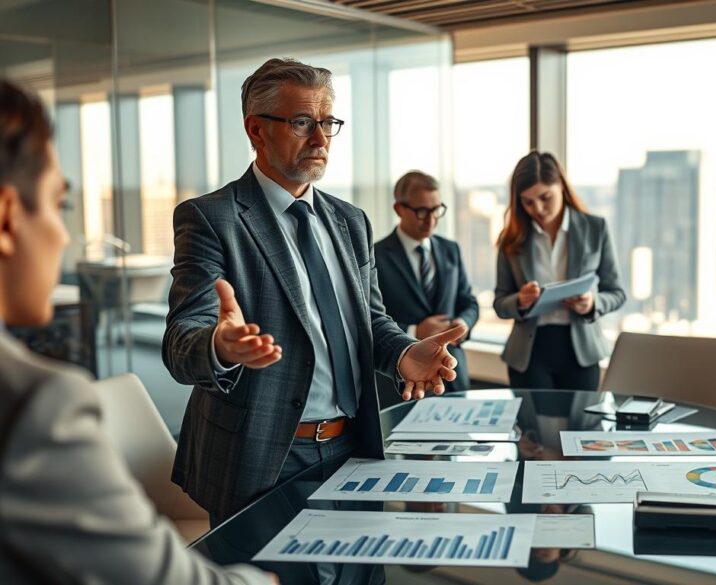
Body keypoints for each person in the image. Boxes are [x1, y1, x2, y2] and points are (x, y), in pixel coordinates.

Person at [162, 58, 465, 526]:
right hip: (264, 454)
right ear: (257, 131)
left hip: (355, 444)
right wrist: (220, 345)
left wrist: (405, 354)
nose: (321, 139)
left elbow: (370, 320)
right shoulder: (210, 218)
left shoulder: (350, 220)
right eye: (303, 122)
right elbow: (183, 341)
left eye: (327, 123)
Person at [0, 81, 274, 584]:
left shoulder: (348, 221)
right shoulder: (32, 406)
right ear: (7, 218)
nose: (64, 236)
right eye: (61, 206)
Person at [494, 151, 625, 391]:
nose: (538, 208)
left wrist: (592, 303)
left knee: (579, 428)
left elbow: (616, 292)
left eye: (546, 197)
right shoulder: (512, 239)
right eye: (527, 202)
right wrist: (520, 301)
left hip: (581, 351)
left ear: (561, 187)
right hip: (529, 354)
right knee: (531, 428)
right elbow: (500, 303)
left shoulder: (595, 228)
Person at [374, 170, 478, 402]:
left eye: (436, 210)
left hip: (453, 376)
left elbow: (468, 302)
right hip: (404, 383)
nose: (431, 219)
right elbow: (368, 318)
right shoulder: (374, 256)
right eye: (422, 211)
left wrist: (462, 324)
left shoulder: (451, 250)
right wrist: (414, 332)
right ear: (399, 209)